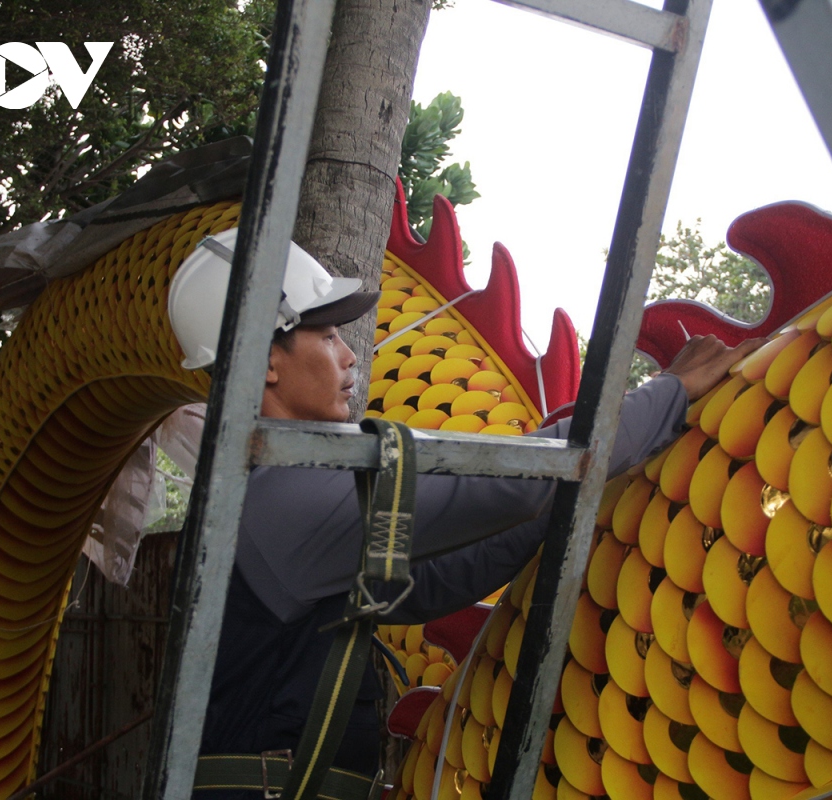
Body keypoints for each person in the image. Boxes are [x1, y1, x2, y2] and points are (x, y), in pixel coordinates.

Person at [168, 230, 763, 798]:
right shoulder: (281, 498)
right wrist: (672, 391)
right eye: (327, 336)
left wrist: (572, 503)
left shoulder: (264, 493)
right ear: (267, 362)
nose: (351, 356)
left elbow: (432, 584)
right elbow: (514, 484)